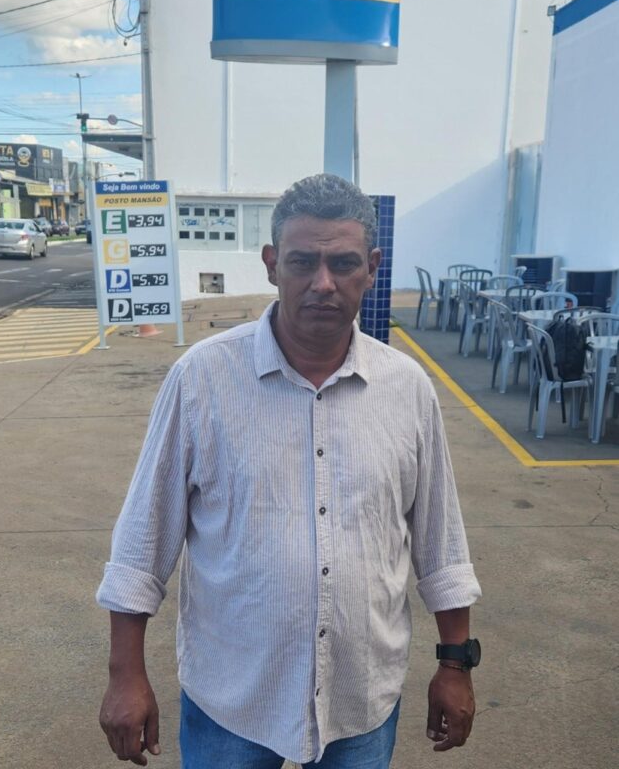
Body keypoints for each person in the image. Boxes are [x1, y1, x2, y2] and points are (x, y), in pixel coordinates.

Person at [97, 173, 482, 768]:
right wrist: (125, 675)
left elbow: (441, 542)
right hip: (233, 700)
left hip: (360, 698)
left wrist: (456, 665)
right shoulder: (202, 379)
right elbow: (142, 542)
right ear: (273, 264)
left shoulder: (407, 389)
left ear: (372, 268)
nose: (323, 283)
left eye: (343, 263)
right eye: (303, 262)